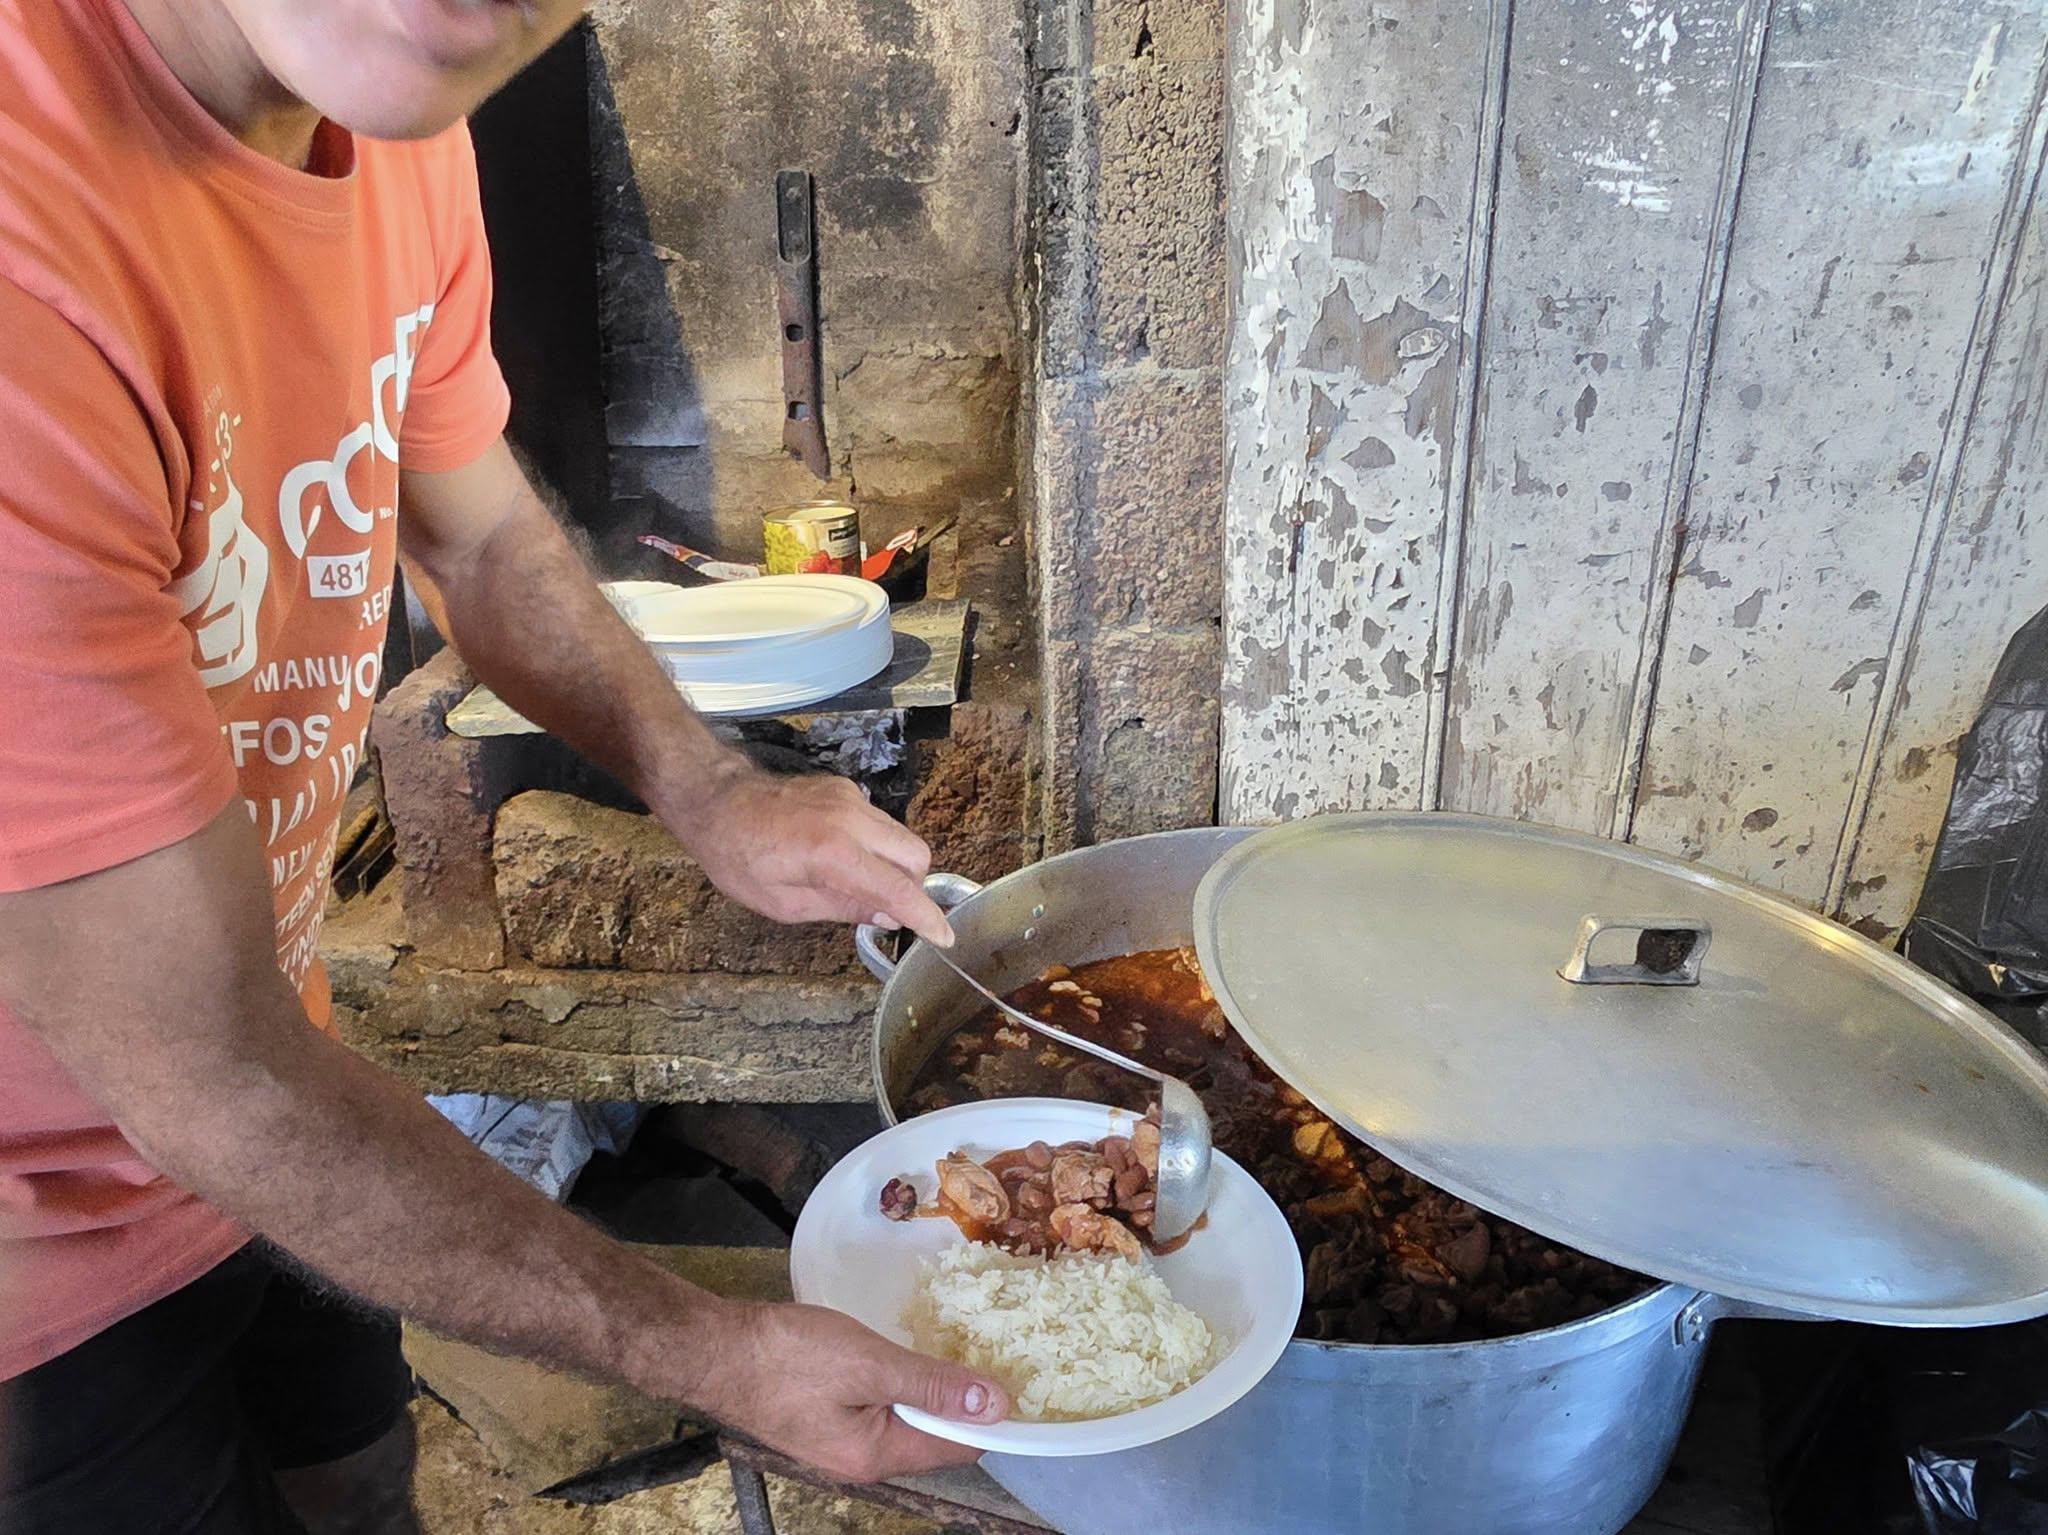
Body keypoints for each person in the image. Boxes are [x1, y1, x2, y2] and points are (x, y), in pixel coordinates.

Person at [0, 2, 1012, 1531]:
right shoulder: (33, 256)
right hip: (45, 1266)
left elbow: (479, 538)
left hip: (288, 1106)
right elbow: (205, 1078)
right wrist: (714, 1351)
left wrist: (712, 791)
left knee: (360, 1491)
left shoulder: (389, 109)